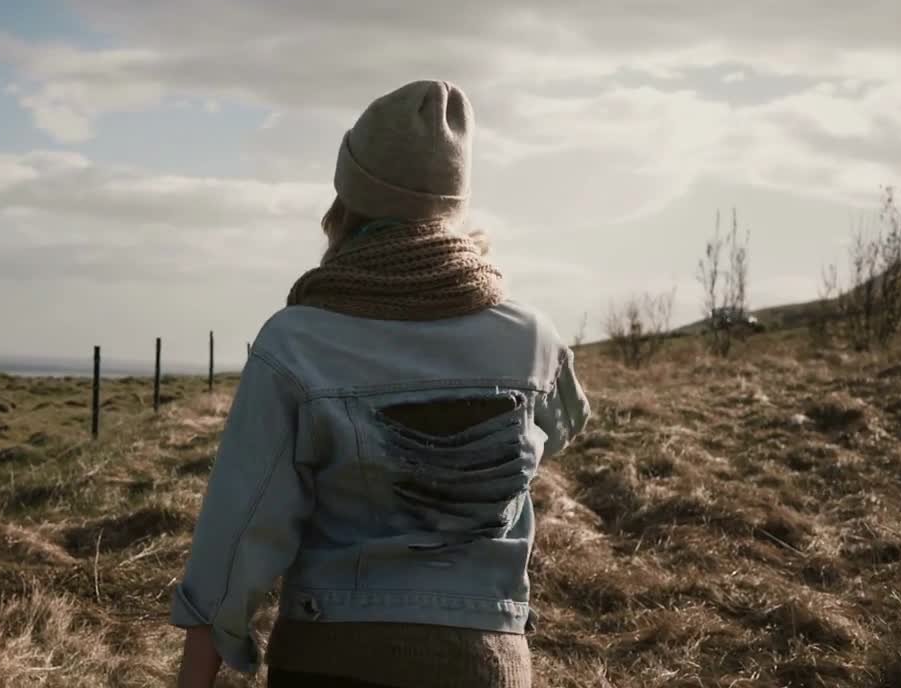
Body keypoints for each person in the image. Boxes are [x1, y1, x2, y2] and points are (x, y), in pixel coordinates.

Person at [171, 80, 592, 688]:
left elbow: (237, 536)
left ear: (347, 200)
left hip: (329, 657)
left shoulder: (297, 340)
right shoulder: (532, 337)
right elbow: (565, 429)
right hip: (484, 662)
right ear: (454, 204)